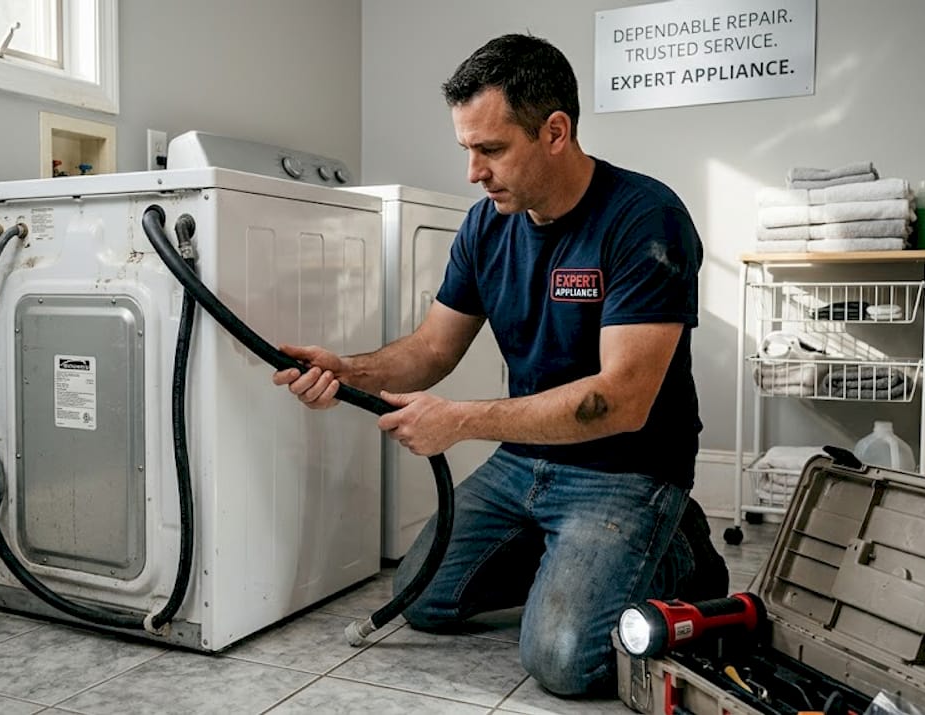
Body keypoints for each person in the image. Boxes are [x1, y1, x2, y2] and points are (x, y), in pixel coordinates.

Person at [272, 33, 728, 697]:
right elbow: (431, 348)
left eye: (490, 149)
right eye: (468, 150)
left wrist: (461, 421)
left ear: (555, 131)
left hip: (624, 470)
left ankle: (677, 548)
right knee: (420, 599)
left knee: (563, 659)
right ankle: (569, 554)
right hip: (525, 462)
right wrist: (348, 370)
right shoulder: (487, 225)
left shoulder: (644, 219)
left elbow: (623, 398)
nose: (473, 172)